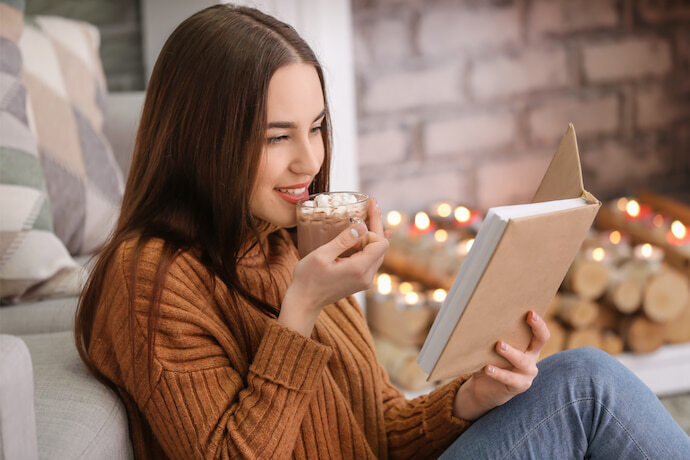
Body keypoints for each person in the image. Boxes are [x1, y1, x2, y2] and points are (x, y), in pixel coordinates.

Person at [75, 4, 690, 459]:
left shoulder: (282, 242)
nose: (310, 162)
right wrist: (303, 310)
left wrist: (468, 400)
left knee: (578, 373)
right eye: (277, 136)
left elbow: (377, 431)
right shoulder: (152, 279)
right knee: (588, 390)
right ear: (201, 140)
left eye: (315, 127)